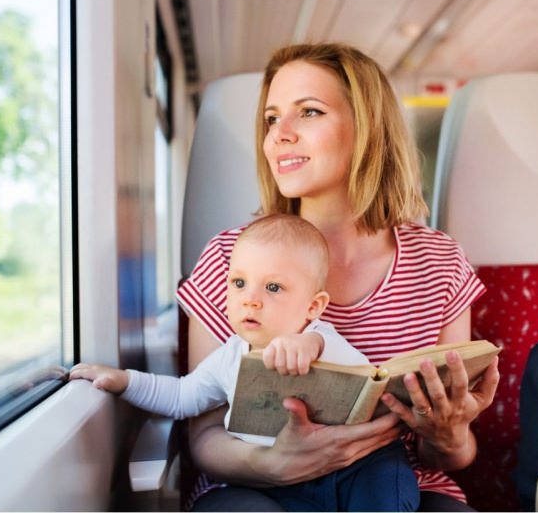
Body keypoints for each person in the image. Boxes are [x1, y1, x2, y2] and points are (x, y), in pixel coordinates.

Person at [178, 42, 500, 512]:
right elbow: (203, 433)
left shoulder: (439, 262)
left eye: (307, 112)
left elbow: (452, 457)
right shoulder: (230, 256)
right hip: (256, 487)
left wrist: (449, 435)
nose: (278, 135)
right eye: (271, 118)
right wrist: (275, 464)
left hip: (393, 485)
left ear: (367, 129)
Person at [71, 214, 420, 512]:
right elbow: (180, 397)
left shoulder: (320, 338)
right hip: (276, 483)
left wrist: (306, 345)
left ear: (313, 307)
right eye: (239, 283)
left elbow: (369, 379)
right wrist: (124, 380)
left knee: (387, 485)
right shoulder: (229, 356)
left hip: (357, 468)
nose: (250, 300)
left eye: (273, 287)